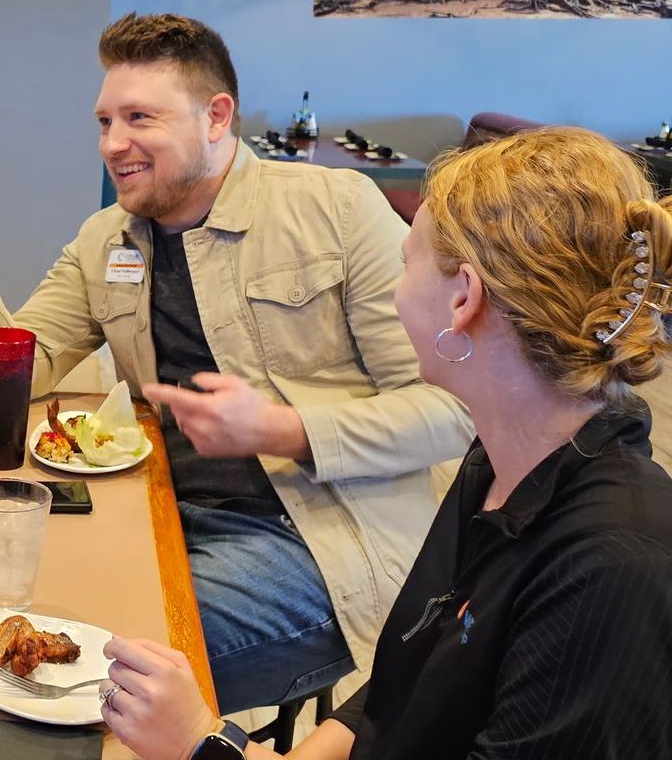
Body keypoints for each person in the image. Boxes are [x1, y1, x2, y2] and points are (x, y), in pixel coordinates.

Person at [0, 13, 473, 713]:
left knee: (84, 679)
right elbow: (23, 371)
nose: (112, 143)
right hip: (158, 508)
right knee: (2, 618)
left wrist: (281, 429)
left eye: (138, 117)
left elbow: (452, 412)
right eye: (103, 121)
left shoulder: (336, 209)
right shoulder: (106, 239)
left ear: (215, 116)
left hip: (317, 538)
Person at [99, 127, 672, 759]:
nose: (396, 289)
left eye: (406, 262)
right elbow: (403, 682)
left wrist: (200, 747)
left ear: (463, 299)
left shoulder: (612, 568)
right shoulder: (498, 466)